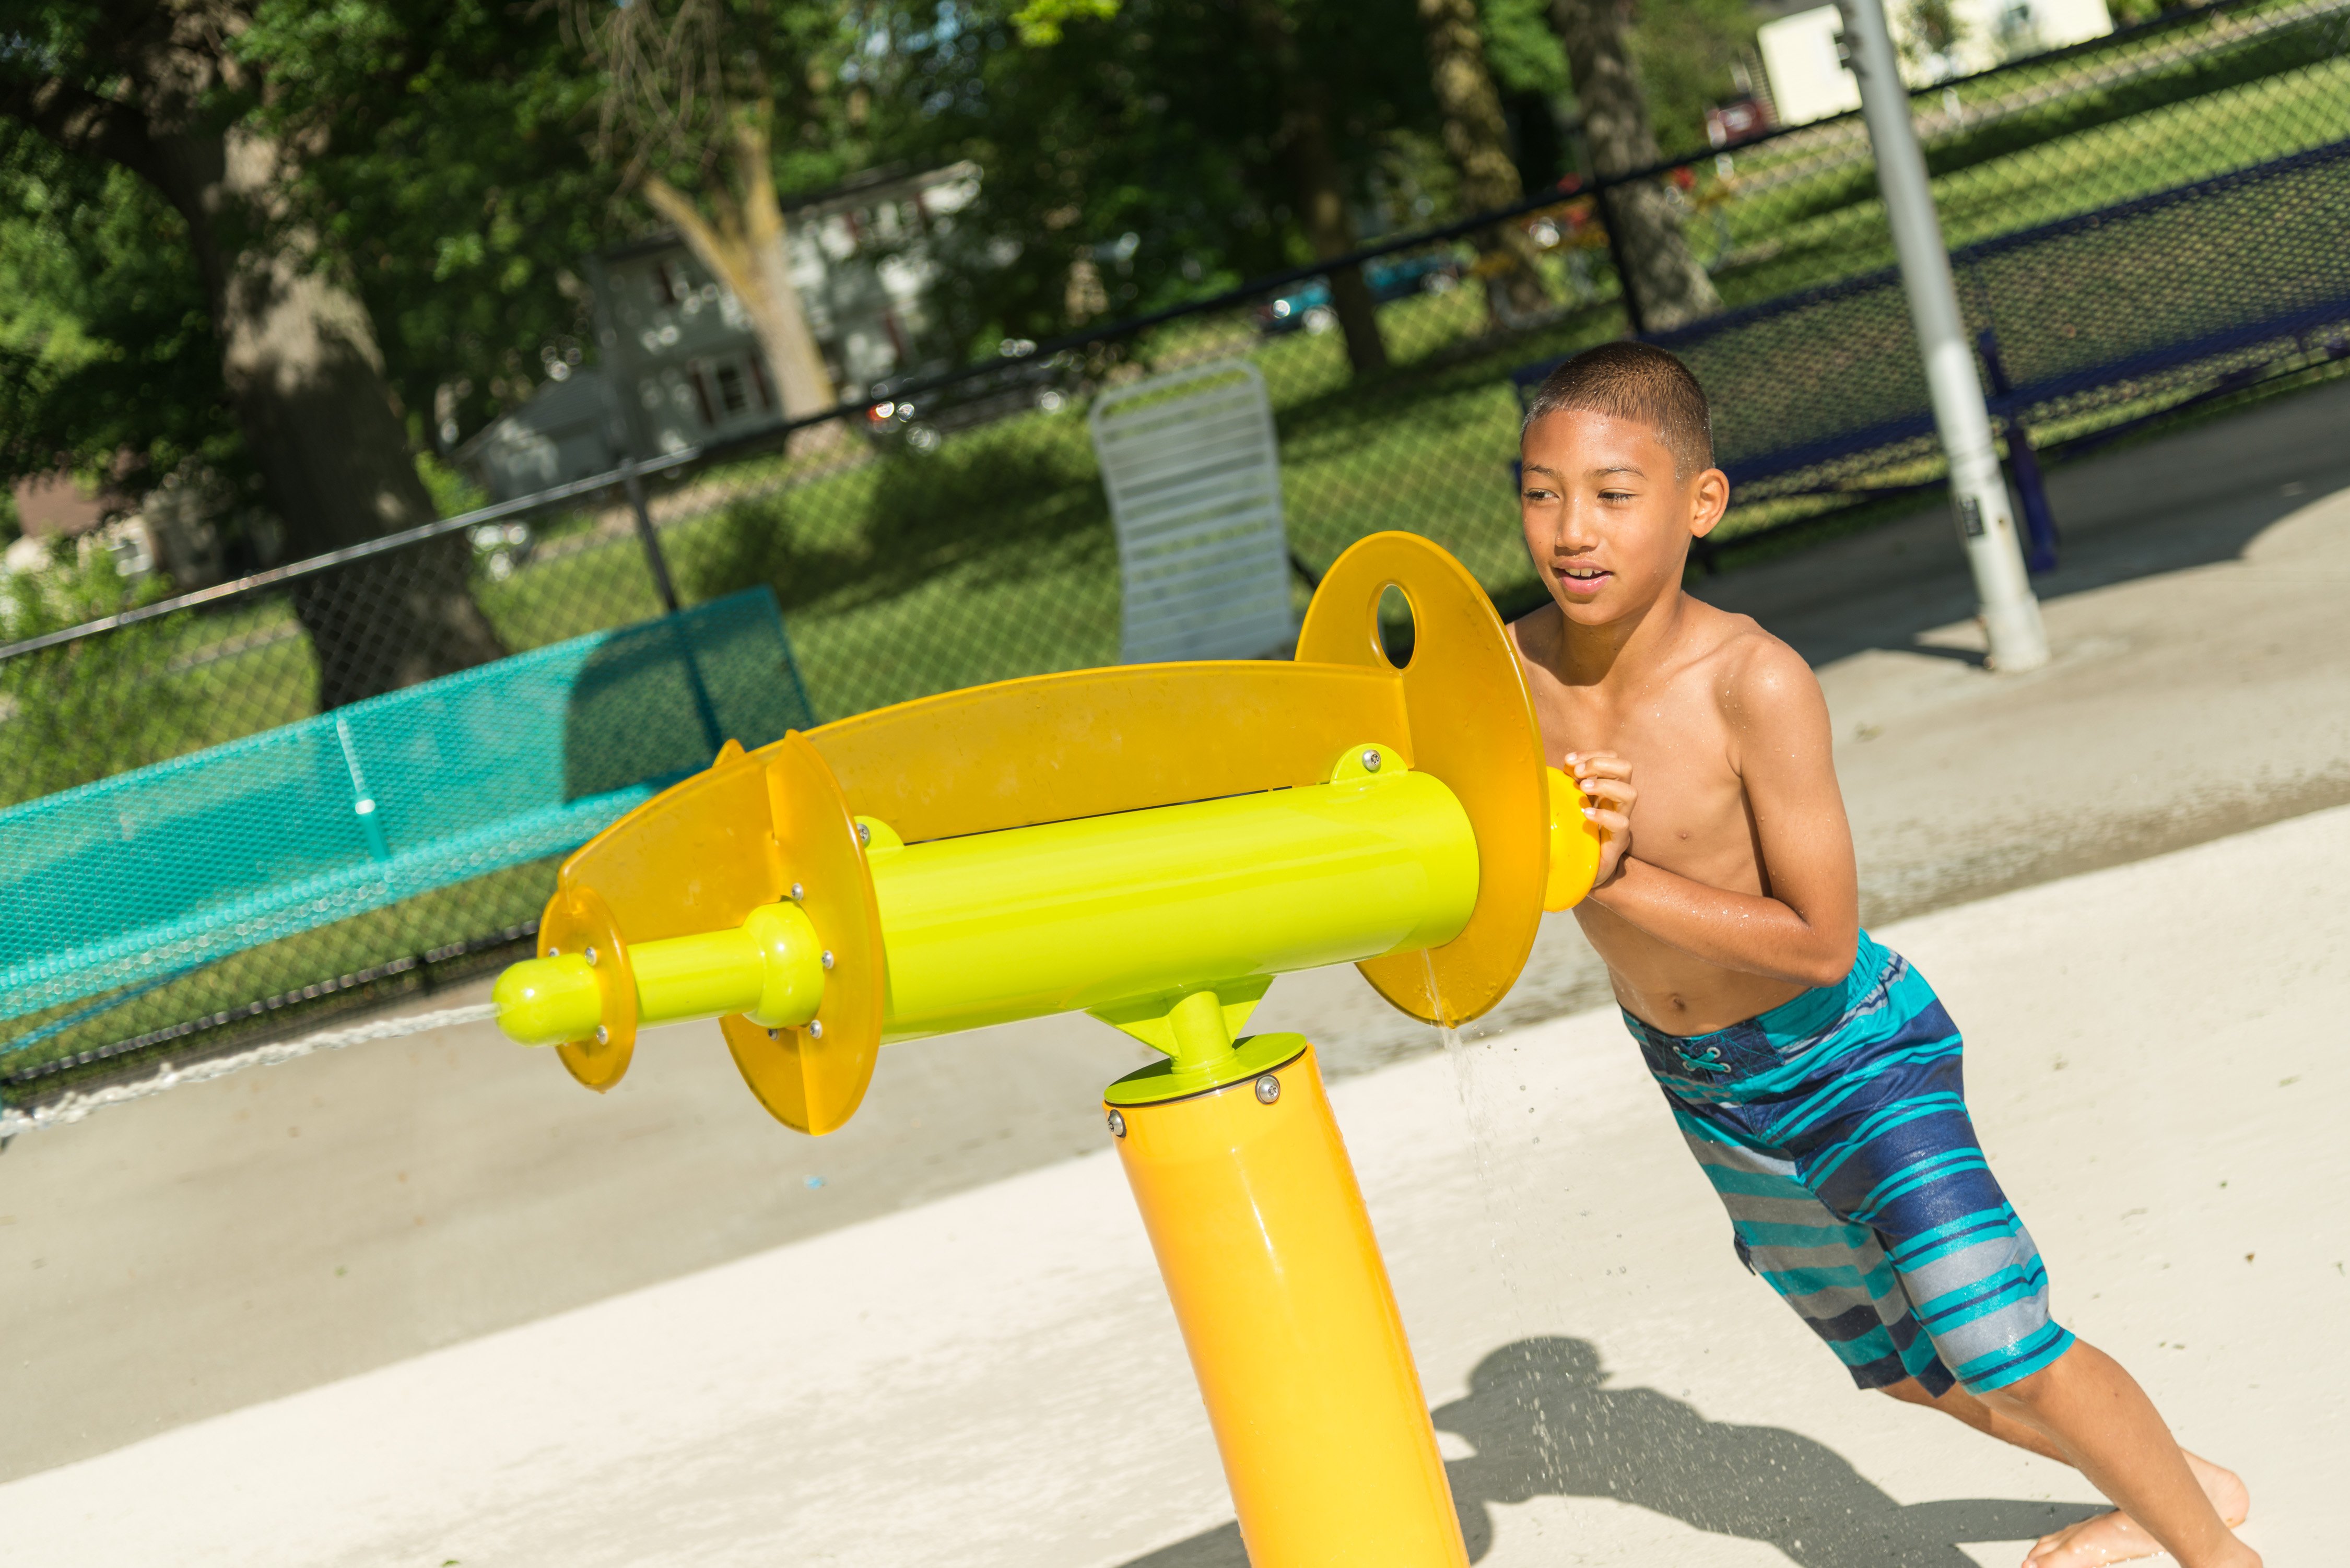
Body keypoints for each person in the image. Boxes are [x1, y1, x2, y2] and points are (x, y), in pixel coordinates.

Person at [1510, 341, 2255, 1568]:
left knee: (1999, 1341)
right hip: (1705, 1081)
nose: (1571, 529)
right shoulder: (1506, 673)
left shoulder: (1753, 681)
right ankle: (2180, 1481)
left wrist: (1615, 874)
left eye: (1611, 493)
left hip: (1853, 1052)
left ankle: (2216, 1553)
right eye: (1542, 492)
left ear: (1701, 504)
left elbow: (1816, 940)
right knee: (1904, 1369)